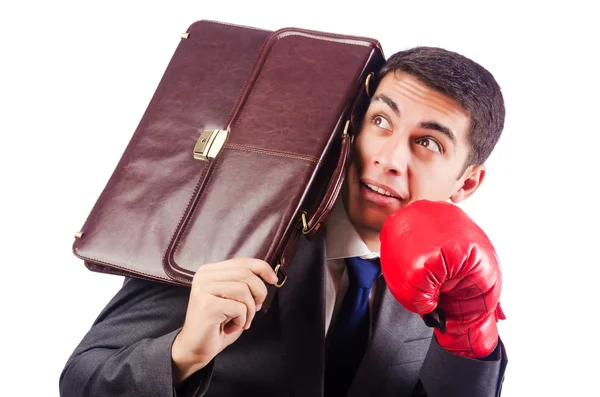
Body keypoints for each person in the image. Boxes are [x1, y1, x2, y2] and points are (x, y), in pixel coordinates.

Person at [59, 46, 508, 396]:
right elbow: (82, 381)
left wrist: (472, 337)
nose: (387, 158)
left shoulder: (454, 281)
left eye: (427, 143)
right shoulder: (234, 225)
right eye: (381, 121)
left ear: (466, 184)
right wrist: (182, 355)